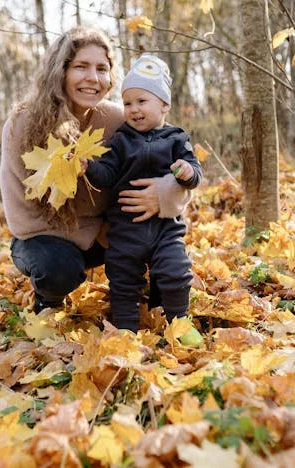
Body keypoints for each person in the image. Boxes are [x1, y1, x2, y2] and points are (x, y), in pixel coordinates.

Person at [0, 27, 190, 314]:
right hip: (43, 239)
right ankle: (48, 300)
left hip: (110, 235)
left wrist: (163, 196)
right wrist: (99, 230)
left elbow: (174, 161)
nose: (93, 78)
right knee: (58, 267)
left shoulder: (117, 118)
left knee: (159, 234)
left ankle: (161, 303)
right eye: (81, 67)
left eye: (102, 68)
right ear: (59, 71)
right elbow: (23, 219)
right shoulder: (23, 124)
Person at [82, 54, 202, 332]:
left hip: (165, 228)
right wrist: (89, 168)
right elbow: (108, 174)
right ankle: (126, 331)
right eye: (127, 103)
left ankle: (179, 326)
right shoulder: (121, 140)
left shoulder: (177, 139)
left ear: (164, 105)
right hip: (126, 229)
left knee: (176, 272)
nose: (133, 109)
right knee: (123, 280)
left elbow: (195, 172)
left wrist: (187, 172)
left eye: (142, 101)